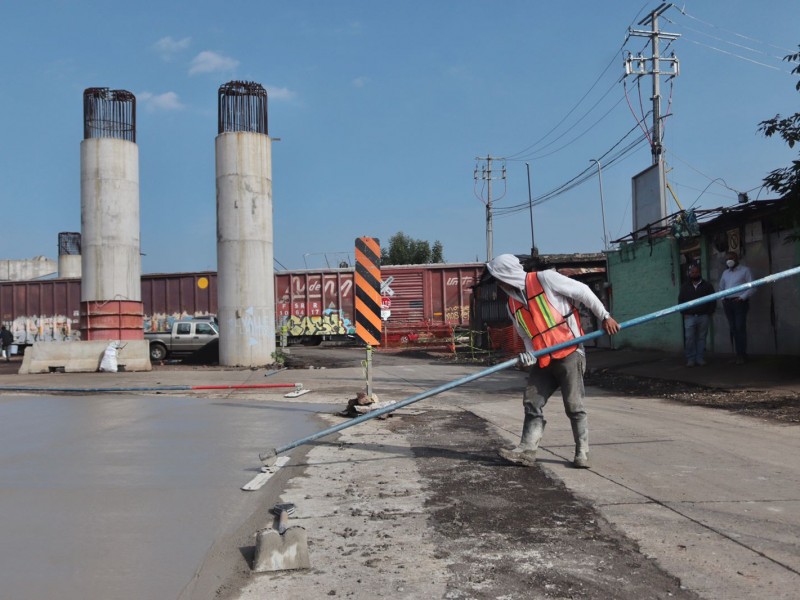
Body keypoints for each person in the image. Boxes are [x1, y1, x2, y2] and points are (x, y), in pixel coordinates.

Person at [485, 254, 620, 469]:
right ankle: (527, 451)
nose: (498, 283)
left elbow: (583, 292)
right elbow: (526, 336)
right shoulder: (511, 305)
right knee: (532, 401)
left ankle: (582, 452)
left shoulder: (545, 278)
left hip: (569, 351)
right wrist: (529, 356)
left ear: (506, 274)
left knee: (574, 405)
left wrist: (605, 316)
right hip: (544, 359)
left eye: (498, 277)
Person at [718, 251, 753, 364]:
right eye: (727, 258)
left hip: (740, 303)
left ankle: (742, 355)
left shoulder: (745, 270)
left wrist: (742, 297)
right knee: (733, 329)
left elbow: (753, 287)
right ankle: (737, 355)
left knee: (740, 328)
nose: (729, 260)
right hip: (728, 303)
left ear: (737, 258)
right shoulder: (725, 273)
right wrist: (723, 298)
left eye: (731, 258)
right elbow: (721, 288)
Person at [678, 264, 716, 367]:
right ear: (689, 274)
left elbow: (713, 300)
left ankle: (699, 358)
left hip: (703, 316)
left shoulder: (707, 285)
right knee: (689, 338)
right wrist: (684, 313)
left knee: (701, 338)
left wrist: (709, 312)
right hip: (689, 316)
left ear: (700, 273)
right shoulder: (685, 286)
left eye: (696, 272)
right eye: (692, 272)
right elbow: (681, 301)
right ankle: (691, 359)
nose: (694, 274)